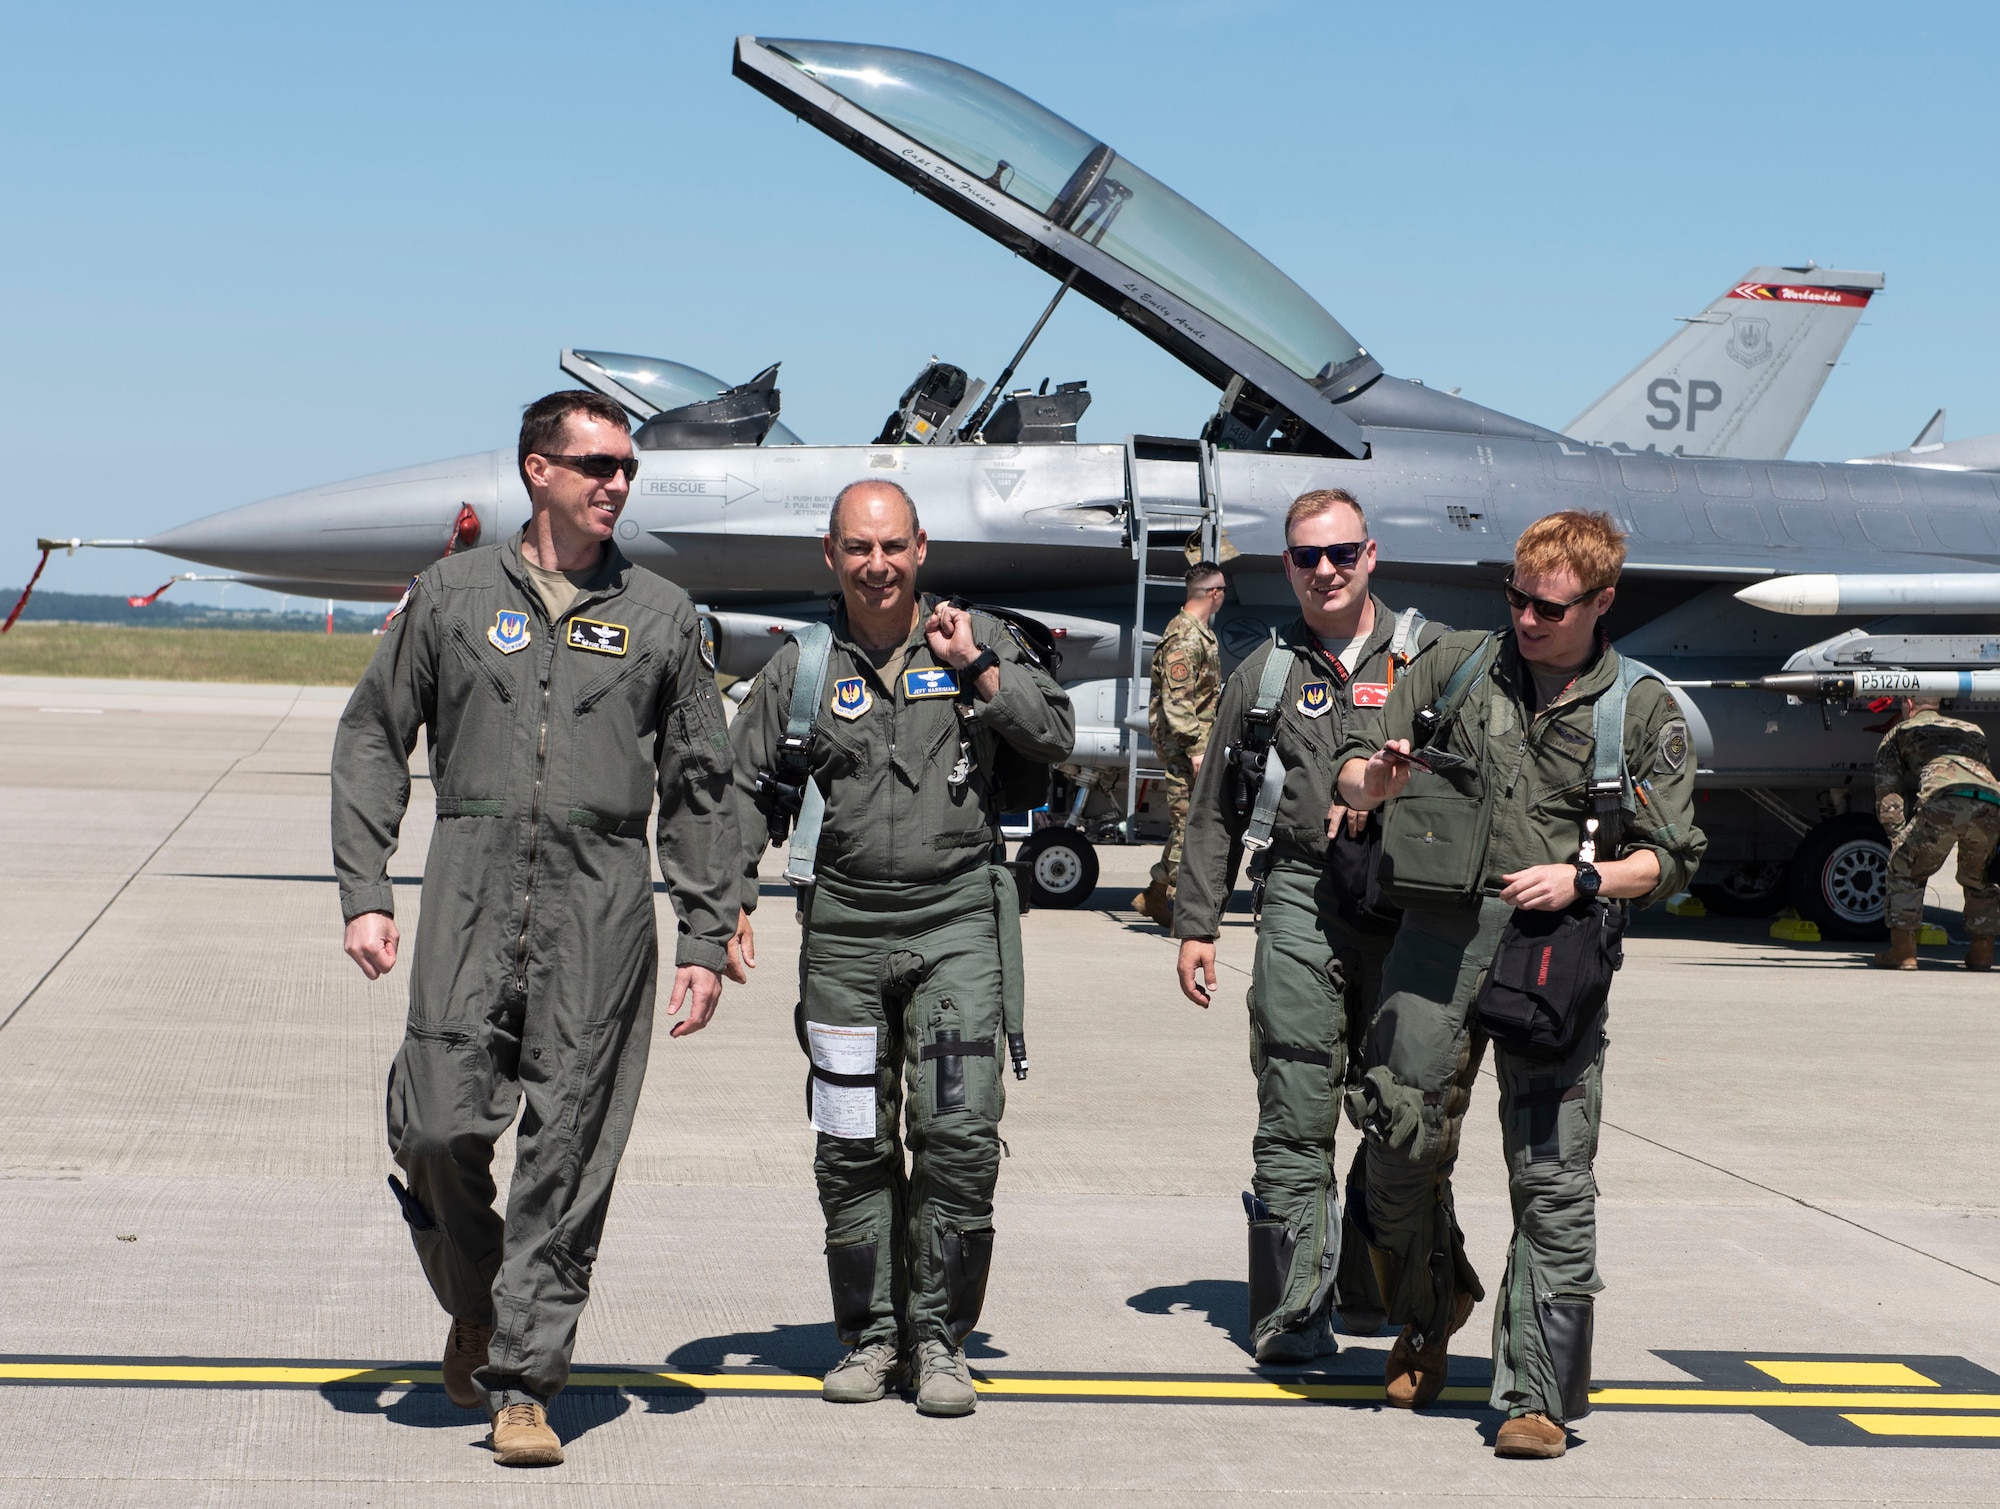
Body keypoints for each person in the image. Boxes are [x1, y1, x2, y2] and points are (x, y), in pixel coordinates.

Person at [332, 390, 740, 1468]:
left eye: (626, 470)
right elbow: (376, 736)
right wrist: (364, 886)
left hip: (603, 897)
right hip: (469, 879)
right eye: (596, 465)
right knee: (437, 1126)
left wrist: (707, 933)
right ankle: (475, 1302)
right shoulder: (454, 596)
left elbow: (702, 787)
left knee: (568, 1154)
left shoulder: (660, 615)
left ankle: (522, 1383)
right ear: (536, 470)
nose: (616, 484)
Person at [1334, 510, 1705, 1459]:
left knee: (1551, 1176)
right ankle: (1435, 1299)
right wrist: (1373, 781)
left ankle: (1536, 1393)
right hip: (1436, 941)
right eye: (1517, 598)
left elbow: (1669, 860)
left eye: (1549, 606)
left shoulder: (1642, 711)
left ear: (1601, 602)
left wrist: (1584, 878)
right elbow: (1350, 771)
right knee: (1395, 1140)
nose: (1527, 619)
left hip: (1555, 952)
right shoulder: (1453, 668)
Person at [726, 480, 1074, 1417]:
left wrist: (982, 672)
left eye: (892, 545)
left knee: (958, 1135)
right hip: (842, 929)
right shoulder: (801, 667)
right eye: (856, 547)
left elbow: (1056, 735)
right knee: (850, 1141)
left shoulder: (976, 640)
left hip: (956, 923)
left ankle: (939, 1339)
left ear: (921, 547)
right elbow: (739, 791)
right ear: (829, 555)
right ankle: (872, 1336)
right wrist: (722, 908)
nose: (876, 564)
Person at [1173, 489, 1444, 1363]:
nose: (1323, 570)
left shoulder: (1434, 661)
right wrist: (1197, 923)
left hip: (1411, 902)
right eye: (1304, 557)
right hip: (1302, 895)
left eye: (1339, 553)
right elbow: (1213, 807)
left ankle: (1372, 1282)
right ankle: (1292, 1311)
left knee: (1404, 1108)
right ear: (1287, 565)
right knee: (1294, 1096)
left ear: (1372, 554)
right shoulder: (1264, 675)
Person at [1873, 695, 2000, 971]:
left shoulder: (1899, 732)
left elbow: (1889, 792)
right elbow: (1982, 772)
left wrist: (1898, 838)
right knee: (1980, 877)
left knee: (1904, 869)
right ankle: (1982, 955)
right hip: (1992, 802)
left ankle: (1903, 952)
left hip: (1944, 800)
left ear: (1908, 704)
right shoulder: (1972, 730)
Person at [1135, 560, 1225, 927]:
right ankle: (1180, 909)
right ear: (1214, 594)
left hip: (1192, 745)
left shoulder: (1197, 632)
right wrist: (1197, 749)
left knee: (1186, 826)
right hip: (1185, 749)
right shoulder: (1185, 638)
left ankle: (1155, 896)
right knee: (1190, 828)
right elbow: (1177, 703)